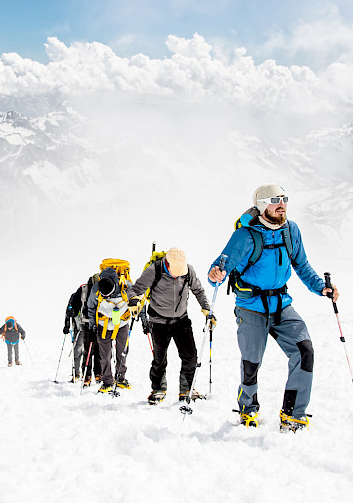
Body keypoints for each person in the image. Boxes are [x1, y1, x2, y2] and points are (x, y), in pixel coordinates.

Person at [207, 184, 339, 431]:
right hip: (251, 306)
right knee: (252, 362)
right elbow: (220, 265)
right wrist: (215, 274)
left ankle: (293, 414)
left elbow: (302, 265)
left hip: (281, 305)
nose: (282, 204)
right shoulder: (245, 236)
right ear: (261, 204)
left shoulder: (291, 231)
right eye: (275, 200)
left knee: (304, 350)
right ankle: (248, 409)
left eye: (285, 199)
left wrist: (321, 287)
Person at [127, 247, 212, 405]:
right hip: (158, 321)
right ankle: (158, 389)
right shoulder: (154, 270)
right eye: (176, 271)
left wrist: (207, 309)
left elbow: (198, 291)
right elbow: (135, 289)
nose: (178, 274)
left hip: (181, 320)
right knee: (159, 358)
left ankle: (186, 389)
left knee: (191, 355)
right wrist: (133, 300)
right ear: (168, 263)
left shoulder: (188, 271)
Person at [86, 266, 133, 393]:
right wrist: (92, 327)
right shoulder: (96, 290)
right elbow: (91, 308)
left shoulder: (126, 286)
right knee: (105, 355)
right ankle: (107, 381)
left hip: (122, 324)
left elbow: (137, 300)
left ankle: (121, 379)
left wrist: (142, 317)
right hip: (104, 324)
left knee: (122, 352)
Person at [64, 276, 101, 384]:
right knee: (87, 350)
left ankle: (82, 374)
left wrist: (67, 324)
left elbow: (71, 310)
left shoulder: (85, 290)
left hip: (83, 324)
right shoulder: (83, 291)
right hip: (83, 324)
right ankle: (84, 374)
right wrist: (67, 324)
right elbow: (71, 308)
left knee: (83, 350)